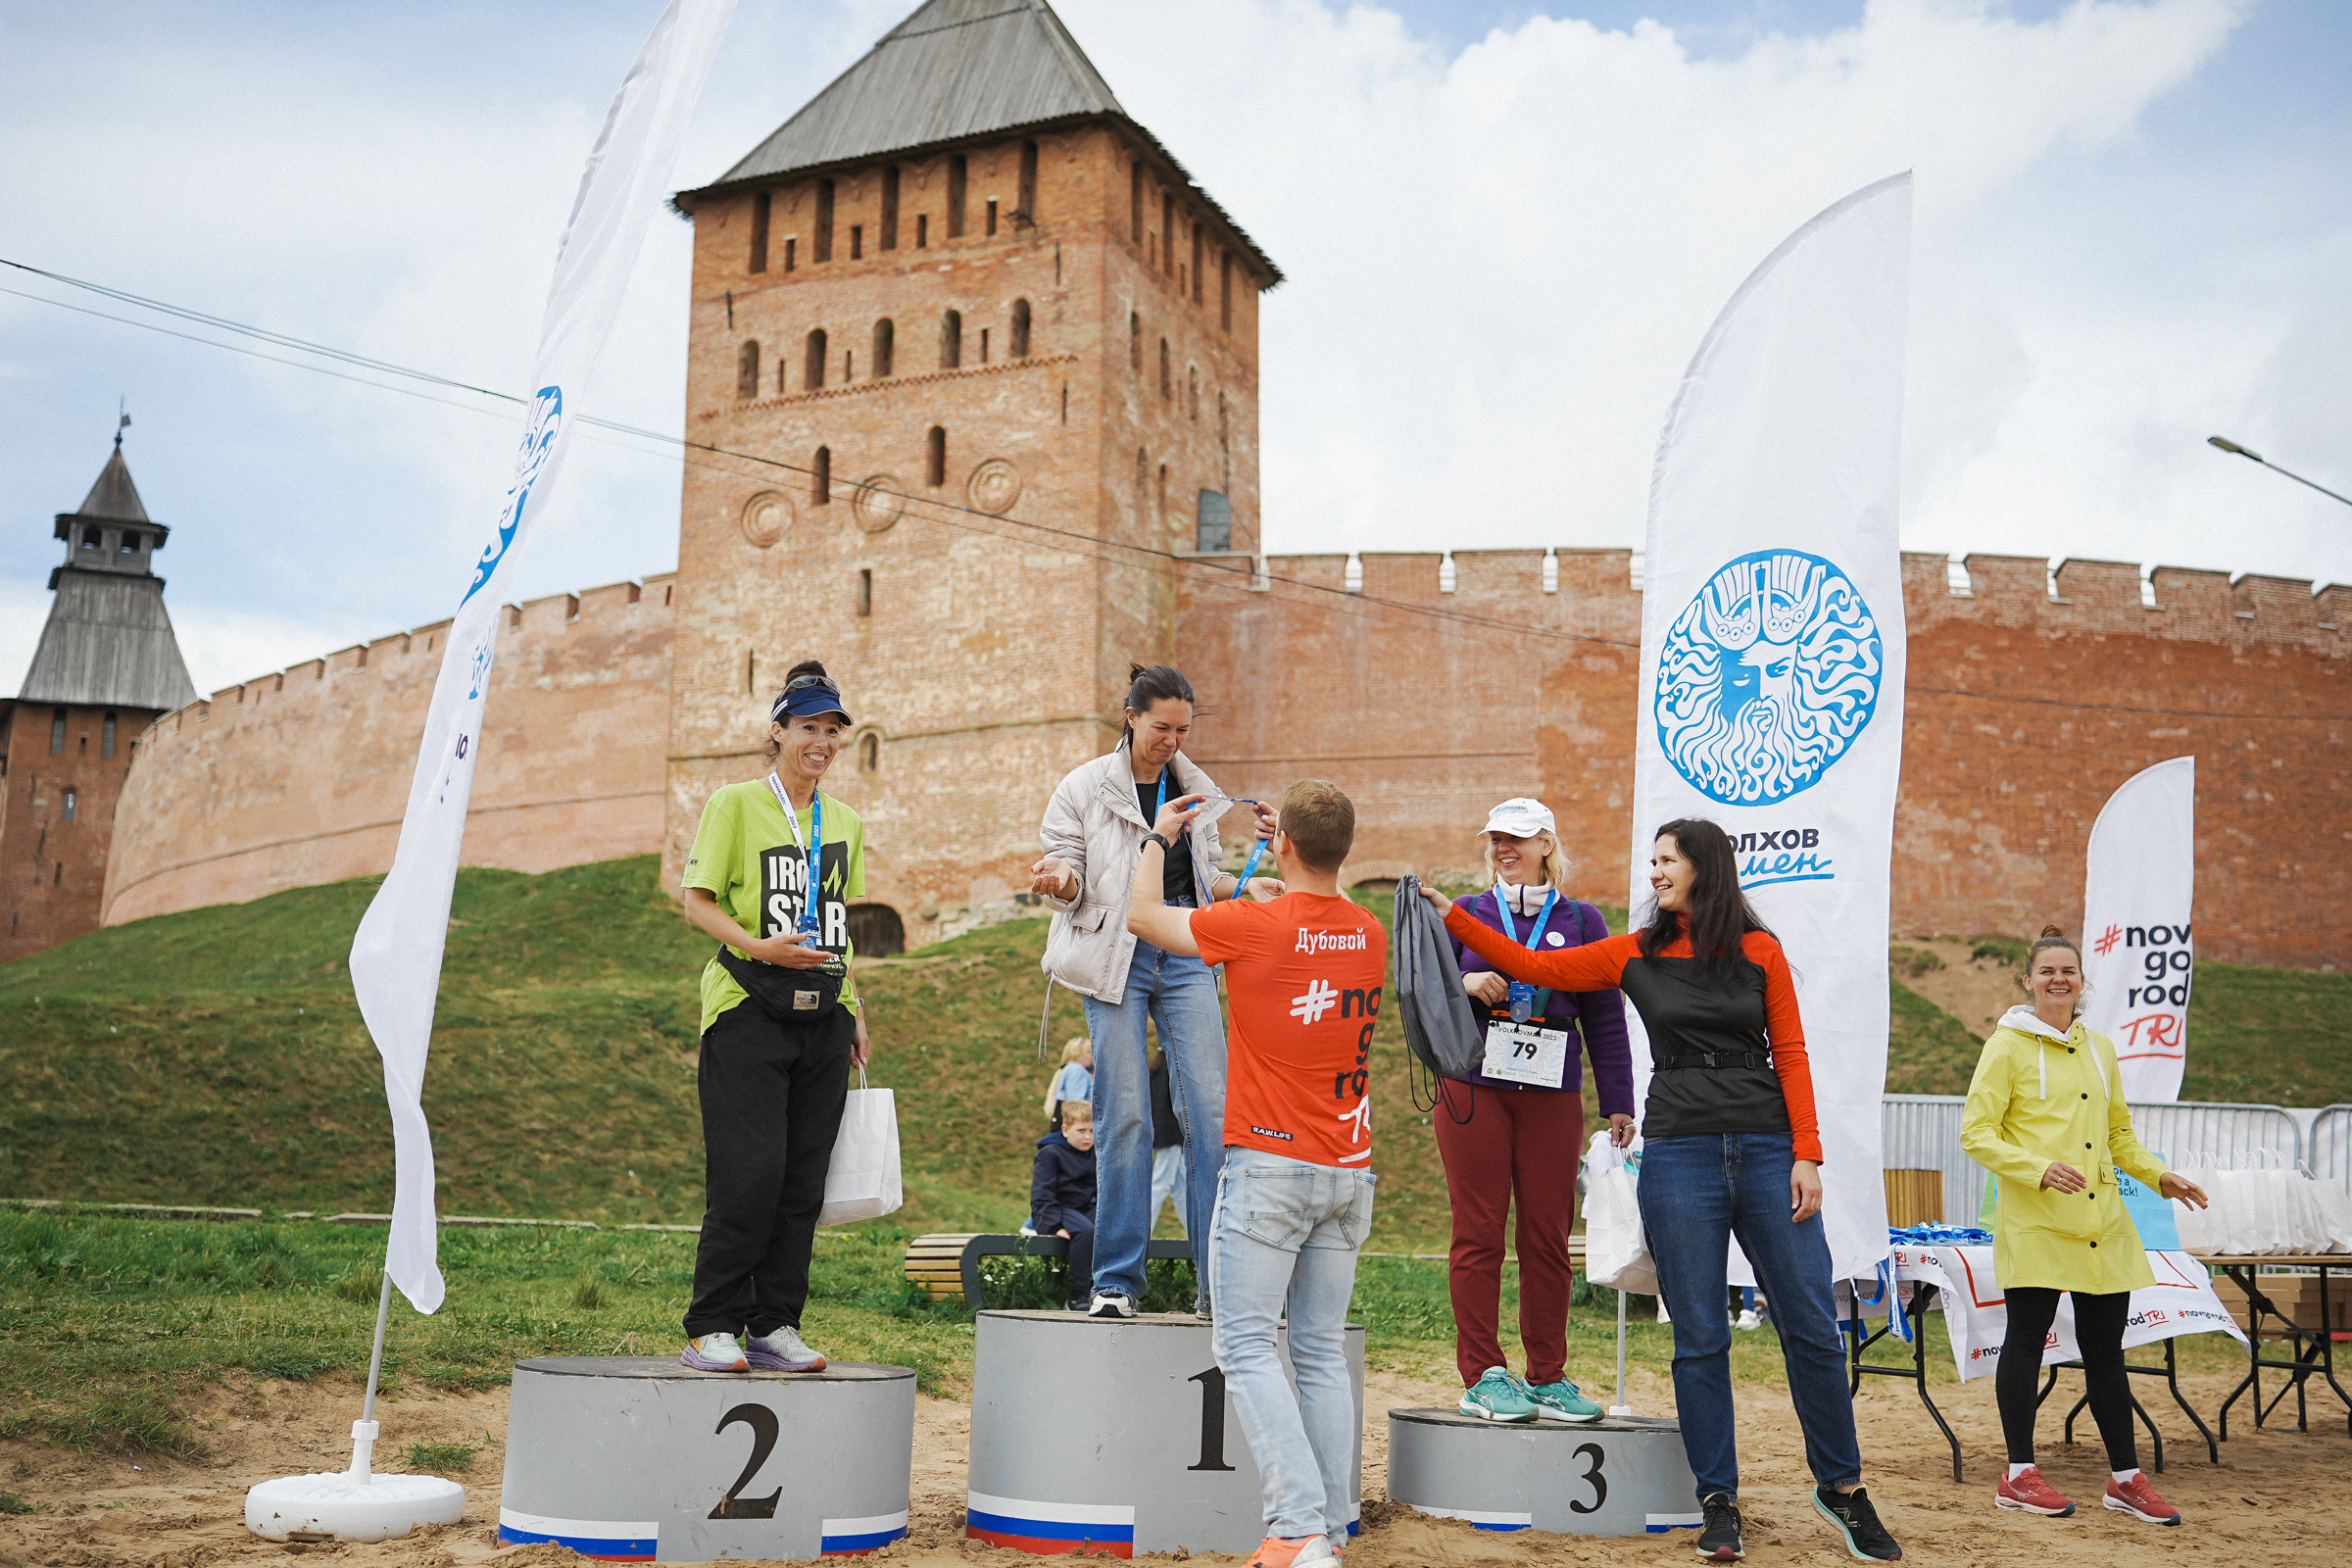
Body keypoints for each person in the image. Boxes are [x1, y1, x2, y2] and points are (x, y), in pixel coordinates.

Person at [1423, 817, 1903, 1563]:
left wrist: (1808, 1154)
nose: (1653, 873)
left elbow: (1795, 1052)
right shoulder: (1635, 953)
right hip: (1680, 1155)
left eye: (1667, 861)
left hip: (1771, 1149)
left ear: (1704, 868)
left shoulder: (1759, 950)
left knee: (1809, 1323)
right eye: (1651, 861)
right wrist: (1449, 912)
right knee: (1700, 1334)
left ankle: (1841, 1488)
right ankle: (1719, 1498)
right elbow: (1532, 967)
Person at [1128, 778, 1382, 1568]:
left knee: (1243, 1344)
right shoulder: (1369, 930)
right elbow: (1307, 925)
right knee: (1315, 1352)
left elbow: (1141, 917)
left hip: (1271, 1166)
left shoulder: (1253, 925)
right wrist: (1283, 867)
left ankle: (1298, 1526)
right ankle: (1331, 1526)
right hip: (1349, 1172)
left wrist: (1155, 842)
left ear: (1284, 845)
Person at [1031, 663, 1279, 1318]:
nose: (1172, 740)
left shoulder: (1198, 792)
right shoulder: (1084, 787)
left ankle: (1216, 1288)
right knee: (1126, 1117)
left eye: (1183, 730)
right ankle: (1115, 1283)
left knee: (1211, 1116)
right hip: (1115, 957)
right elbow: (1071, 874)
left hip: (1186, 951)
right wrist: (1060, 880)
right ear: (1131, 716)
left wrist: (1246, 885)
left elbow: (1207, 881)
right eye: (1161, 727)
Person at [1962, 925, 2210, 1526]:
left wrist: (2158, 1175)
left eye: (2067, 971)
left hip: (2104, 1224)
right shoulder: (2006, 1046)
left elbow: (2119, 1135)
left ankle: (2125, 1479)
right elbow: (1976, 1132)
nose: (2058, 979)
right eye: (2046, 971)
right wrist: (2039, 1168)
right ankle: (2018, 1474)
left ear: (2080, 982)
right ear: (2028, 981)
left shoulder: (2101, 1048)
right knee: (2026, 1340)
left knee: (2106, 1351)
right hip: (2037, 1222)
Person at [675, 661, 871, 1375]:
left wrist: (853, 1010)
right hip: (746, 1004)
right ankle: (712, 1325)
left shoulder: (843, 821)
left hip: (823, 1009)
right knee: (749, 1169)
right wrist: (762, 946)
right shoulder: (735, 804)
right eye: (808, 728)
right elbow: (697, 901)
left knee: (801, 1179)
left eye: (831, 730)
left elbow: (841, 926)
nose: (820, 742)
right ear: (779, 731)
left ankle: (776, 1323)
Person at [1441, 797, 1635, 1425]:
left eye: (1518, 839)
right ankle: (1483, 1375)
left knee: (1547, 1237)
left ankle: (1548, 1376)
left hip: (1552, 1093)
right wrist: (1463, 986)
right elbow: (1416, 992)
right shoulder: (1465, 913)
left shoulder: (1583, 919)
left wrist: (1619, 1102)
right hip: (1474, 1088)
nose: (1504, 848)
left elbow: (1605, 1017)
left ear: (1547, 844)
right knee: (1479, 1232)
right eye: (1496, 838)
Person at [1032, 1102, 1100, 1312]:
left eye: (1092, 1131)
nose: (1088, 1137)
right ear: (1065, 1130)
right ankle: (1078, 1296)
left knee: (1108, 1228)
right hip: (1060, 1208)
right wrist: (1053, 1225)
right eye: (1081, 1131)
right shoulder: (1050, 1153)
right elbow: (1042, 1193)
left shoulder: (1096, 1152)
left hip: (1085, 1207)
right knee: (1085, 1231)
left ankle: (1107, 1290)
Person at [1148, 1044, 1188, 1233]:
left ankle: (1194, 1232)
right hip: (1171, 1134)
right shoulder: (1171, 1066)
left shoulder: (1157, 1065)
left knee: (1181, 1188)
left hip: (1165, 1134)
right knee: (1161, 1185)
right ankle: (1144, 1233)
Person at [1044, 1037, 1094, 1126]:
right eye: (1089, 1052)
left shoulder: (1069, 1069)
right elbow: (1076, 1103)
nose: (1092, 1057)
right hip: (1077, 1123)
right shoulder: (1077, 1070)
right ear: (1077, 1055)